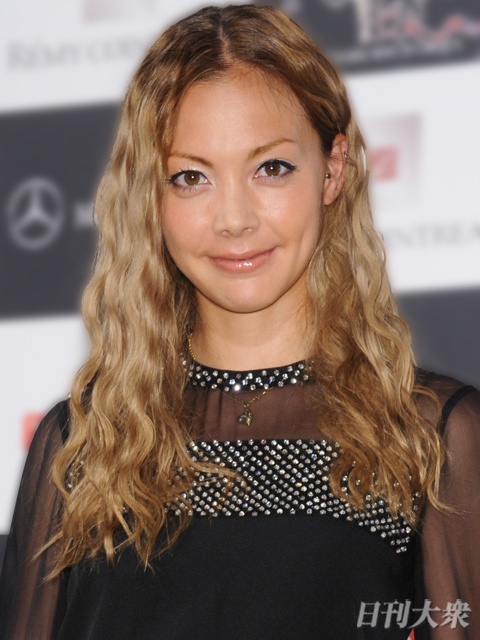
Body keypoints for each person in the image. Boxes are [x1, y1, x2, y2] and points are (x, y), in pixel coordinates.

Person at [0, 5, 479, 639]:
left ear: (333, 169)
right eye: (191, 177)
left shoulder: (424, 436)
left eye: (270, 168)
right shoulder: (83, 445)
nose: (234, 219)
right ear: (151, 197)